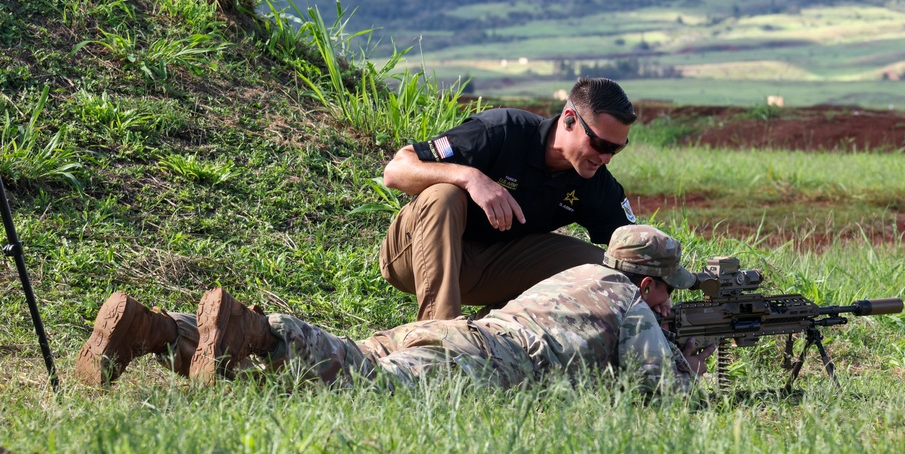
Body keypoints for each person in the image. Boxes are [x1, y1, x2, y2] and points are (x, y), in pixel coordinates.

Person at [76, 225, 717, 395]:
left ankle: (157, 331)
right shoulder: (632, 304)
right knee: (360, 383)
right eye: (669, 289)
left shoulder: (578, 271)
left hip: (456, 330)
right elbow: (665, 397)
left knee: (355, 354)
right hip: (483, 362)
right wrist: (694, 362)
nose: (669, 300)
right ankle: (263, 331)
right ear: (648, 281)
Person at [380, 76, 639, 320]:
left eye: (617, 148)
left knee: (603, 268)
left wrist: (654, 287)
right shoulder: (501, 131)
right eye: (601, 145)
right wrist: (470, 178)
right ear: (570, 120)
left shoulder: (596, 181)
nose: (606, 158)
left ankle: (491, 332)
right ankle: (439, 338)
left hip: (486, 267)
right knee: (444, 194)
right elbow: (396, 170)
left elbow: (634, 245)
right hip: (413, 257)